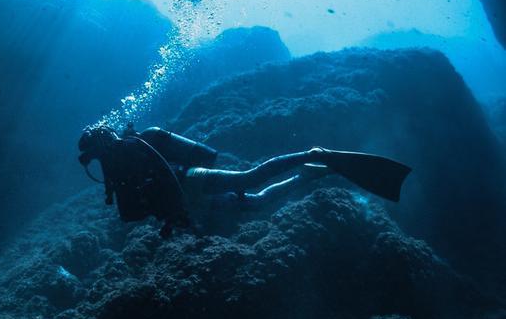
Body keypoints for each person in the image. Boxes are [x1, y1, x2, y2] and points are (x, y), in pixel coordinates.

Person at [78, 123, 411, 238]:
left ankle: (315, 153)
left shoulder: (139, 144)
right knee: (257, 203)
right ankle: (308, 175)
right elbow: (136, 210)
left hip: (193, 182)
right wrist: (171, 218)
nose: (100, 158)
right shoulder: (115, 173)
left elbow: (183, 165)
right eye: (94, 156)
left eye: (97, 151)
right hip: (186, 207)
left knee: (249, 178)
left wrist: (172, 205)